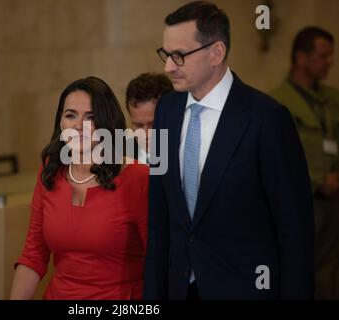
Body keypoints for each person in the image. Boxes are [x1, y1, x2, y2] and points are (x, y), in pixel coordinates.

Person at [143, 1, 314, 300]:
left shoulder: (267, 118)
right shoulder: (166, 112)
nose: (168, 66)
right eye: (166, 54)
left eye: (179, 55)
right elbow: (160, 220)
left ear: (216, 53)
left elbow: (295, 231)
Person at [10, 76, 149, 300]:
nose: (78, 125)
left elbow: (160, 262)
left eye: (90, 117)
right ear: (60, 123)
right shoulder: (50, 171)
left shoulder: (138, 178)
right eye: (70, 115)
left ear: (107, 123)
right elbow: (33, 254)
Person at [271, 27, 339, 299]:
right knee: (297, 270)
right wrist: (318, 180)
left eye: (331, 56)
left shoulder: (333, 100)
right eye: (323, 56)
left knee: (330, 273)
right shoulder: (277, 102)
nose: (329, 62)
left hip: (334, 201)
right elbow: (277, 157)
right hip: (300, 200)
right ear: (301, 57)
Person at [125, 73, 173, 164]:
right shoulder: (119, 157)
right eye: (138, 126)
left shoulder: (185, 156)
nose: (145, 135)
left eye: (153, 124)